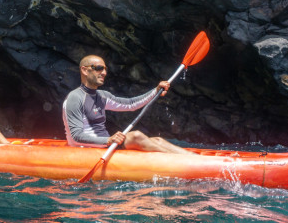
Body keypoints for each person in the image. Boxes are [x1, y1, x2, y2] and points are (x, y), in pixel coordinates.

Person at [62, 55, 194, 154]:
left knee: (158, 140)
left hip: (106, 146)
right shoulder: (75, 97)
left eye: (105, 69)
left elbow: (131, 104)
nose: (104, 72)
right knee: (136, 136)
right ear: (85, 70)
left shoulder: (102, 96)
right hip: (87, 149)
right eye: (99, 68)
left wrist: (155, 91)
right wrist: (108, 140)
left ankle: (195, 158)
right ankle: (184, 161)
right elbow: (76, 136)